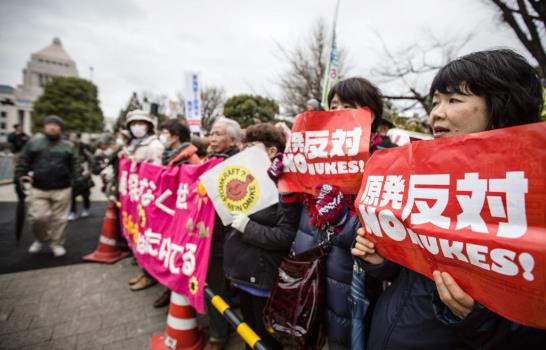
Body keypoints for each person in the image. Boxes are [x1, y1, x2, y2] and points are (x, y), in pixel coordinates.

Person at [352, 49, 546, 349]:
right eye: (435, 102)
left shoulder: (533, 194)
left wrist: (477, 318)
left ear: (501, 107)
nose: (436, 114)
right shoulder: (427, 180)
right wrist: (380, 260)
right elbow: (413, 272)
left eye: (454, 100)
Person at [288, 77, 385, 349]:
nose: (336, 112)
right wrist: (285, 189)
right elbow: (292, 221)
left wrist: (343, 220)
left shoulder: (382, 163)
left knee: (341, 338)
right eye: (332, 105)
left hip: (349, 279)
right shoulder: (312, 157)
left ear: (370, 114)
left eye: (347, 105)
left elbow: (380, 238)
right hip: (307, 268)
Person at [223, 123, 298, 350]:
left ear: (272, 151)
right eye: (244, 147)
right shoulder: (244, 179)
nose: (245, 152)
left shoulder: (285, 185)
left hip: (265, 278)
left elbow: (286, 235)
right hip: (244, 274)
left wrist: (248, 227)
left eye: (252, 147)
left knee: (267, 341)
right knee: (249, 334)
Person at [151, 119, 202, 308]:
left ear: (175, 136)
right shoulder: (168, 154)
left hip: (182, 214)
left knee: (178, 251)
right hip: (170, 211)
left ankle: (175, 291)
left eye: (165, 132)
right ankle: (169, 289)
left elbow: (195, 184)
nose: (163, 136)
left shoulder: (190, 156)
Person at [14, 115, 81, 257]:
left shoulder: (68, 146)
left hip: (62, 188)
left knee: (60, 219)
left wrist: (78, 182)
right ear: (44, 126)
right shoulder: (33, 143)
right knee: (38, 217)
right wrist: (19, 177)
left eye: (56, 125)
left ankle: (57, 243)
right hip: (38, 187)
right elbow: (24, 162)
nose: (53, 127)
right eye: (50, 124)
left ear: (61, 128)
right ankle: (41, 238)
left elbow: (75, 165)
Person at [204, 117, 241, 350]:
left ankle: (218, 335)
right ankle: (221, 325)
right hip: (209, 234)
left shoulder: (236, 164)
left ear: (233, 139)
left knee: (215, 287)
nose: (213, 137)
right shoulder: (210, 161)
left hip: (222, 236)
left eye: (218, 134)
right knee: (218, 286)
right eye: (212, 133)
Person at [124, 110, 165, 291]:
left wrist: (138, 164)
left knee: (148, 235)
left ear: (148, 125)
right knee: (140, 233)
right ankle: (144, 269)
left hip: (148, 197)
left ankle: (149, 275)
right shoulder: (134, 144)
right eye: (133, 123)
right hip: (137, 195)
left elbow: (156, 172)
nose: (136, 127)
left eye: (140, 123)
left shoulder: (154, 144)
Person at [67, 132, 94, 220]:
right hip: (72, 174)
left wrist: (89, 171)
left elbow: (91, 159)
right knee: (71, 194)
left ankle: (86, 208)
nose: (72, 138)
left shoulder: (84, 147)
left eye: (74, 137)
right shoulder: (68, 147)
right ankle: (72, 212)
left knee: (85, 193)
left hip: (84, 174)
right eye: (70, 137)